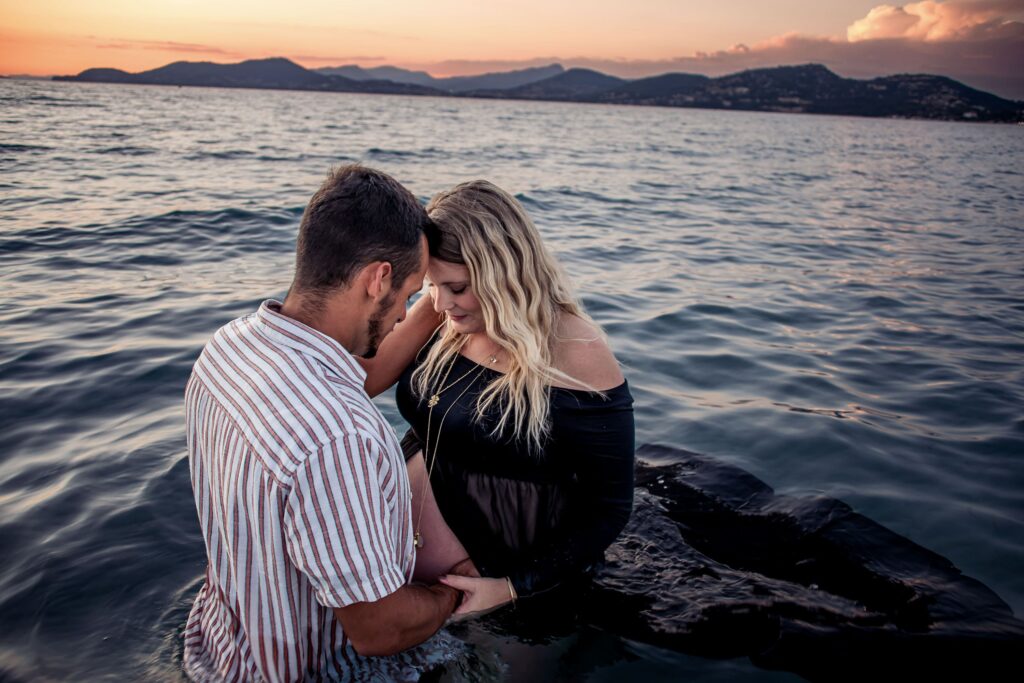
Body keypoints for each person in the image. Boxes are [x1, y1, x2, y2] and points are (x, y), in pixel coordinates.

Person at [182, 165, 470, 682]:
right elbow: (378, 631)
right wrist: (451, 593)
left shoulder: (226, 351)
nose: (406, 315)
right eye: (406, 295)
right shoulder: (339, 436)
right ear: (377, 279)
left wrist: (438, 302)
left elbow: (342, 384)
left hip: (218, 651)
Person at [361, 180, 635, 619]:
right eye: (432, 285)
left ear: (504, 272)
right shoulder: (442, 306)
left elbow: (610, 509)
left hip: (505, 587)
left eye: (458, 287)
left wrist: (509, 588)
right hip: (393, 574)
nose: (442, 302)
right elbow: (367, 377)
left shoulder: (577, 352)